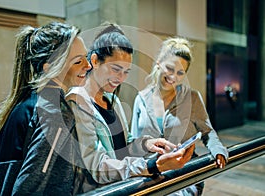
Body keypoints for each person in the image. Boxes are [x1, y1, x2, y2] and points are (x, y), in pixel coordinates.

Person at [66, 23, 194, 193]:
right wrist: (151, 165)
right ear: (95, 61)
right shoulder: (77, 101)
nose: (121, 78)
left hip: (124, 185)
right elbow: (97, 166)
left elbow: (124, 145)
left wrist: (146, 144)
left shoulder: (112, 99)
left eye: (126, 72)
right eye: (116, 69)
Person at [0, 21, 92, 195]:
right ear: (49, 68)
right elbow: (30, 187)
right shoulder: (54, 112)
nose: (88, 66)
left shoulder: (25, 101)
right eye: (78, 61)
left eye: (86, 57)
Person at [131, 36, 229, 195]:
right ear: (159, 63)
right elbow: (134, 142)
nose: (173, 77)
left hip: (183, 176)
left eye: (180, 72)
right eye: (169, 68)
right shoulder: (141, 99)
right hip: (151, 174)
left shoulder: (192, 98)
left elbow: (207, 132)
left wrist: (218, 150)